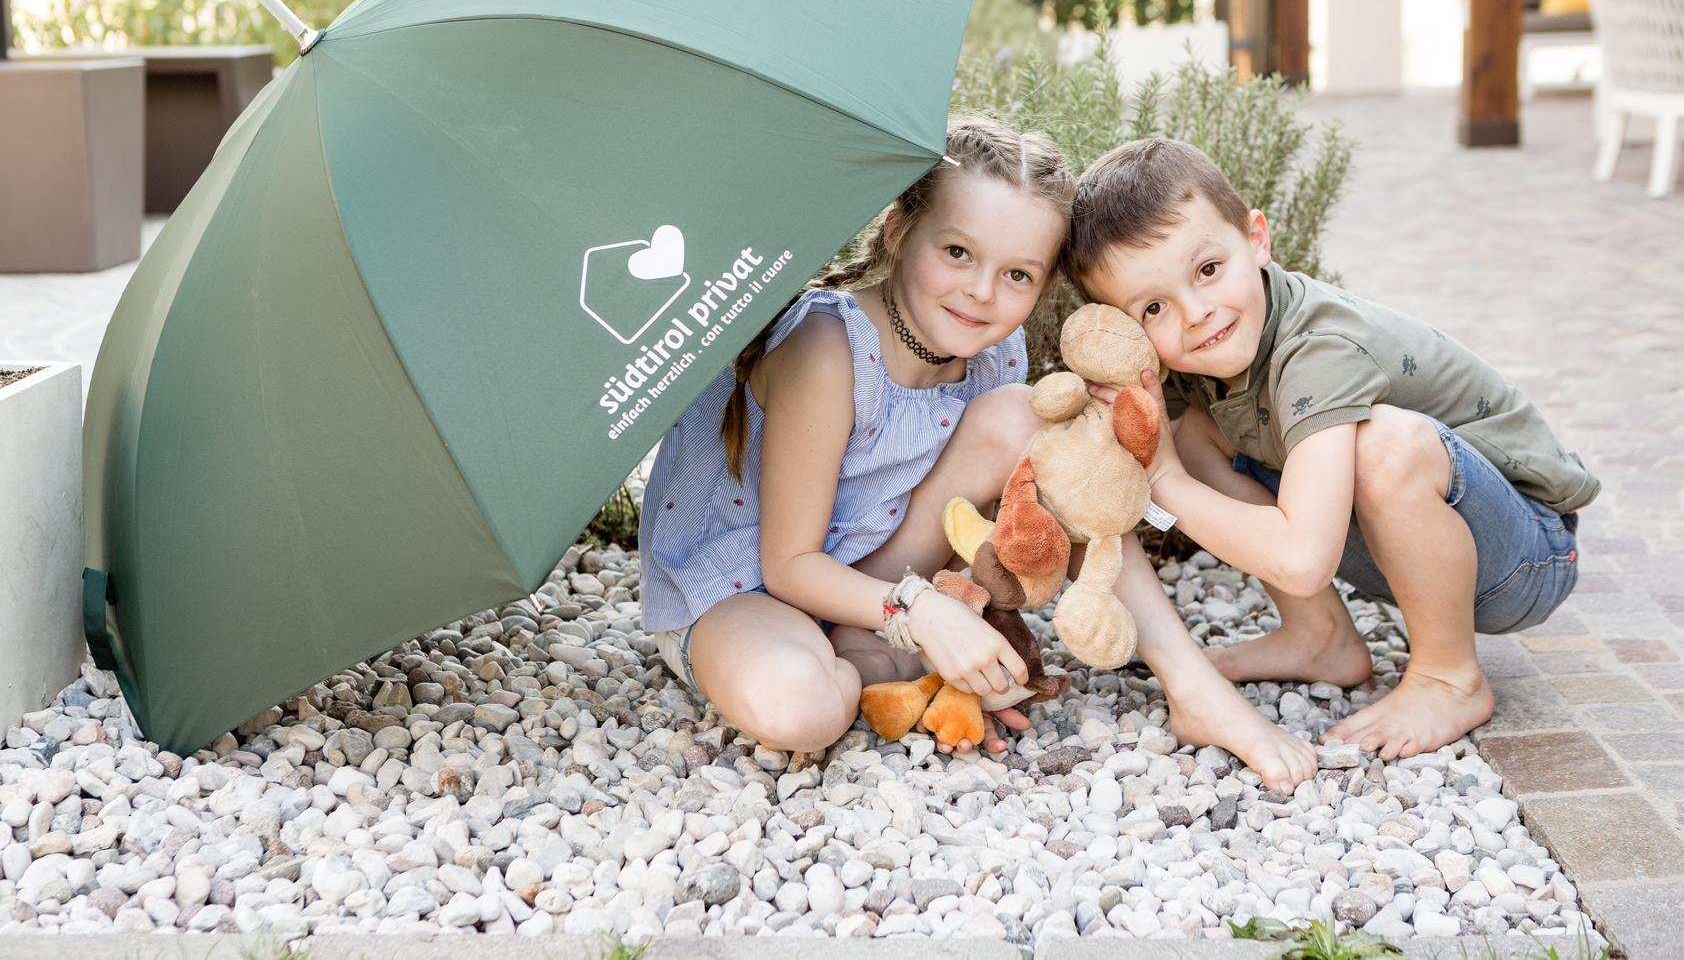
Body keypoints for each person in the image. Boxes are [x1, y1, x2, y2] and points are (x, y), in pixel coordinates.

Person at [1066, 137, 1598, 762]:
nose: (1196, 314)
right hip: (1419, 549)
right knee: (1193, 434)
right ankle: (1319, 636)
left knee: (1384, 445)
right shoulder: (1194, 359)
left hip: (1527, 552)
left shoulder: (1318, 349)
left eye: (1208, 270)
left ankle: (1448, 677)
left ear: (1256, 239)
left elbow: (1302, 559)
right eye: (1153, 307)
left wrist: (1165, 480)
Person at [638, 115, 1072, 756]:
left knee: (1023, 414)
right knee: (800, 710)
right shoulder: (828, 348)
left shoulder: (996, 352)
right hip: (751, 585)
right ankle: (858, 662)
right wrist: (925, 614)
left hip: (876, 576)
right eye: (957, 252)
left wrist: (970, 606)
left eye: (1018, 276)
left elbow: (964, 522)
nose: (982, 292)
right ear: (898, 230)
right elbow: (788, 566)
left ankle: (877, 656)